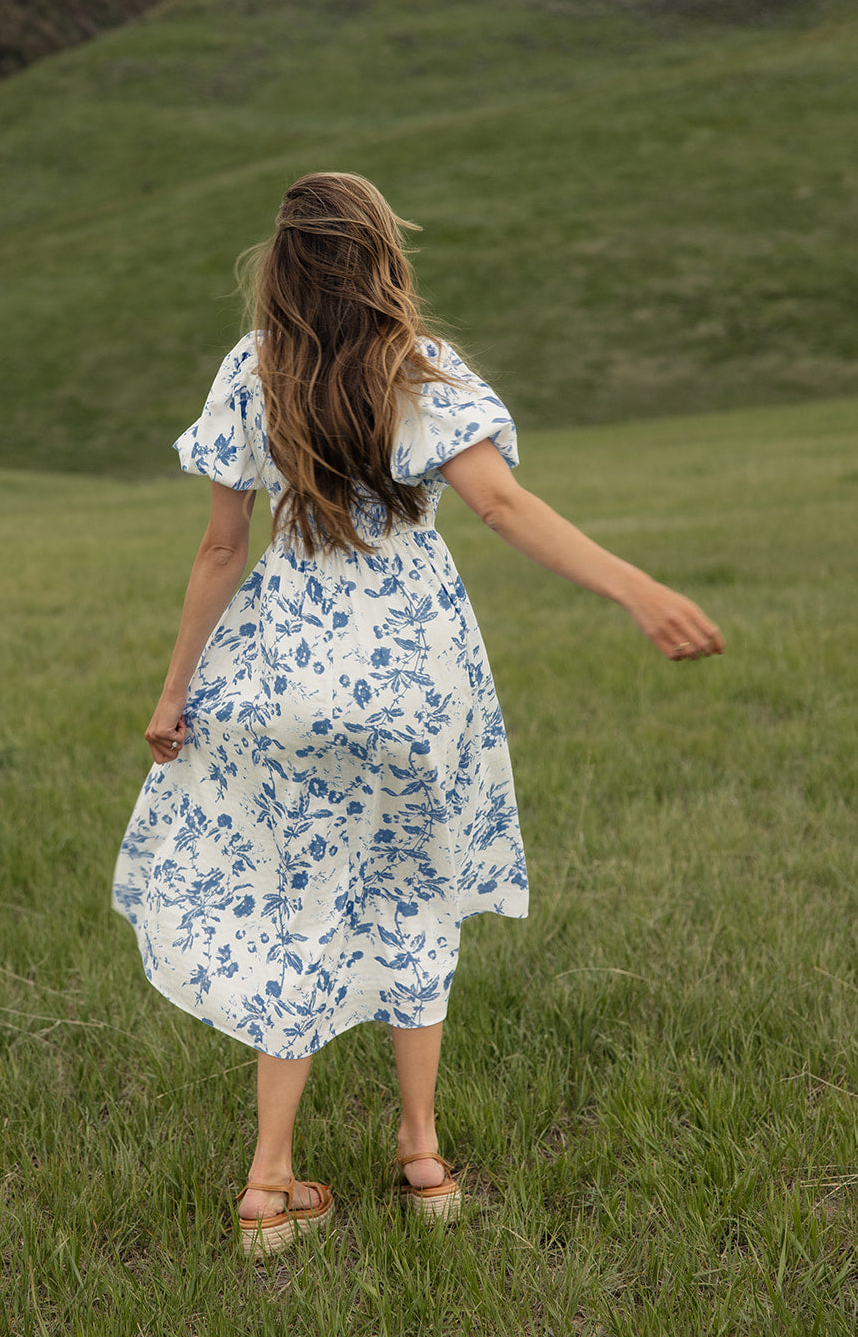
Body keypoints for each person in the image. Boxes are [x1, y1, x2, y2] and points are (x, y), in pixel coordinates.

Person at [111, 172, 724, 1257]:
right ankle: (423, 1159)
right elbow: (500, 504)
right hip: (413, 682)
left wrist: (173, 693)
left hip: (283, 675)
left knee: (296, 905)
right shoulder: (423, 374)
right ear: (385, 256)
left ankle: (268, 1184)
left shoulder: (250, 371)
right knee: (414, 899)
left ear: (282, 267)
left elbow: (219, 549)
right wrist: (637, 589)